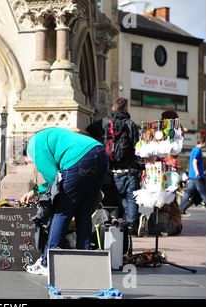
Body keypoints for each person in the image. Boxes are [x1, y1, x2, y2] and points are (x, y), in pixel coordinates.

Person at [20, 127, 108, 275]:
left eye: (25, 162)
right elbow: (60, 178)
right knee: (84, 212)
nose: (29, 164)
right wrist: (35, 191)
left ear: (24, 154)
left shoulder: (34, 147)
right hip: (100, 154)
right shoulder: (44, 138)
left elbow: (55, 180)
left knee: (62, 211)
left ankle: (47, 263)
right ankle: (84, 259)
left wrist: (48, 198)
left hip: (78, 159)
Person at [86, 97, 145, 236]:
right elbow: (138, 147)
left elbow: (90, 129)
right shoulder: (130, 124)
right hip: (130, 170)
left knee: (119, 198)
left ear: (113, 109)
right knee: (132, 198)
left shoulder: (105, 123)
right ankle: (131, 226)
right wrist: (142, 167)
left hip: (112, 171)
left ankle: (126, 221)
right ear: (126, 109)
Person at [179, 135, 206, 215]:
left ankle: (181, 209)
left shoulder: (194, 149)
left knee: (187, 194)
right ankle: (180, 209)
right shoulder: (197, 150)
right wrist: (197, 171)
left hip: (193, 176)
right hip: (197, 176)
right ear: (202, 142)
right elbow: (194, 161)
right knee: (203, 194)